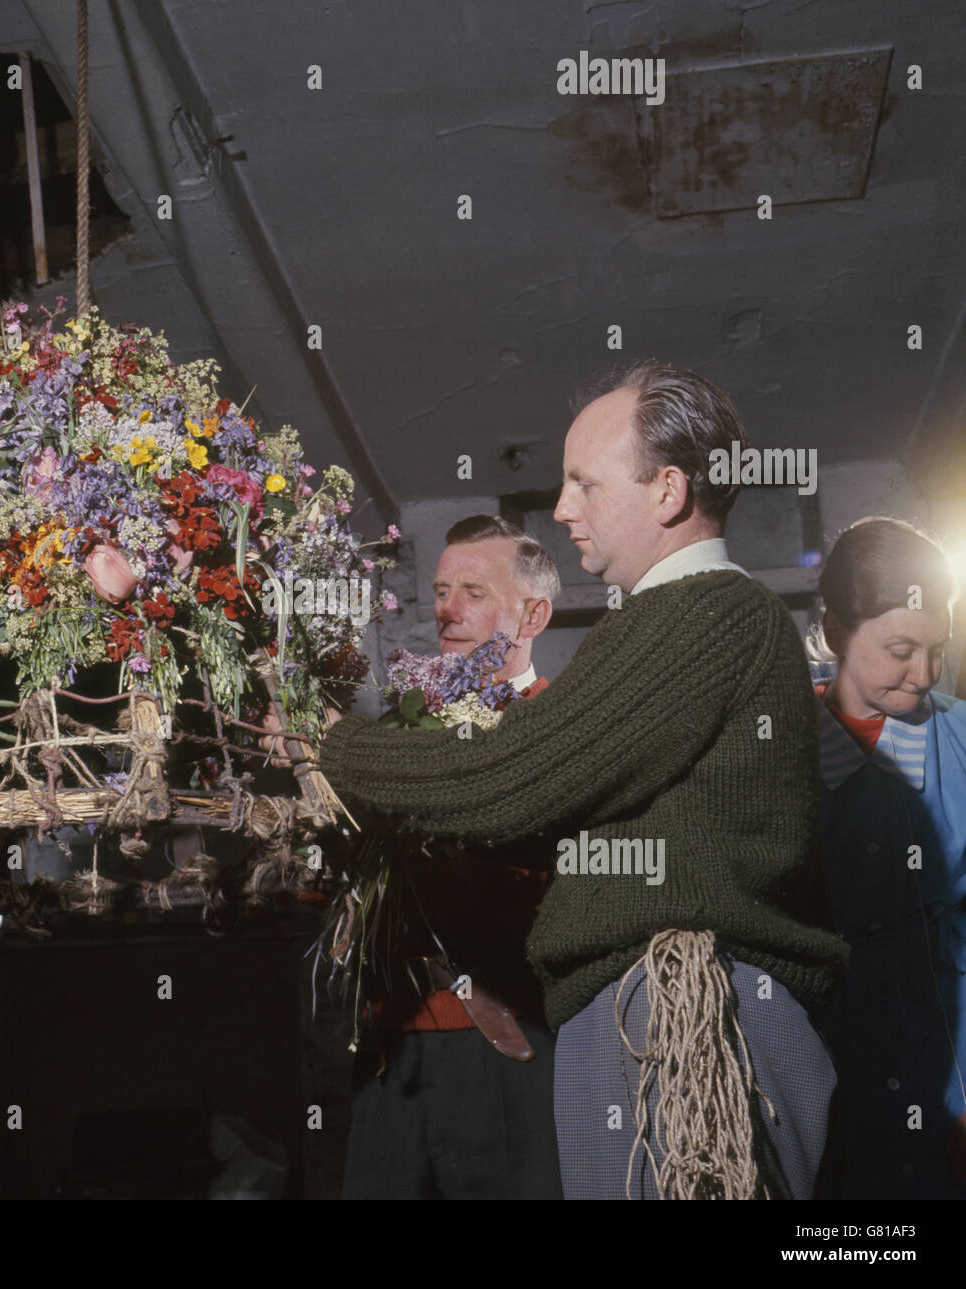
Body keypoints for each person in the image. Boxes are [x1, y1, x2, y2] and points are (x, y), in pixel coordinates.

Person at [319, 361, 849, 1200]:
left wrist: (333, 744)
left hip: (679, 1014)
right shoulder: (670, 618)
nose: (561, 509)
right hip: (649, 1008)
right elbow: (551, 808)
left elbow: (510, 774)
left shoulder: (705, 609)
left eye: (583, 484)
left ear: (667, 490)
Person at [339, 514, 563, 1200]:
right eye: (439, 590)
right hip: (393, 1040)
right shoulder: (404, 729)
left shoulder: (560, 728)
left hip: (505, 1040)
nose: (446, 609)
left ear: (534, 613)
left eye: (472, 590)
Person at [807, 516, 966, 1197]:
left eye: (939, 648)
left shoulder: (958, 735)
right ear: (837, 630)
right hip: (823, 1052)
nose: (925, 673)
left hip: (951, 1045)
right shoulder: (778, 747)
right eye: (902, 648)